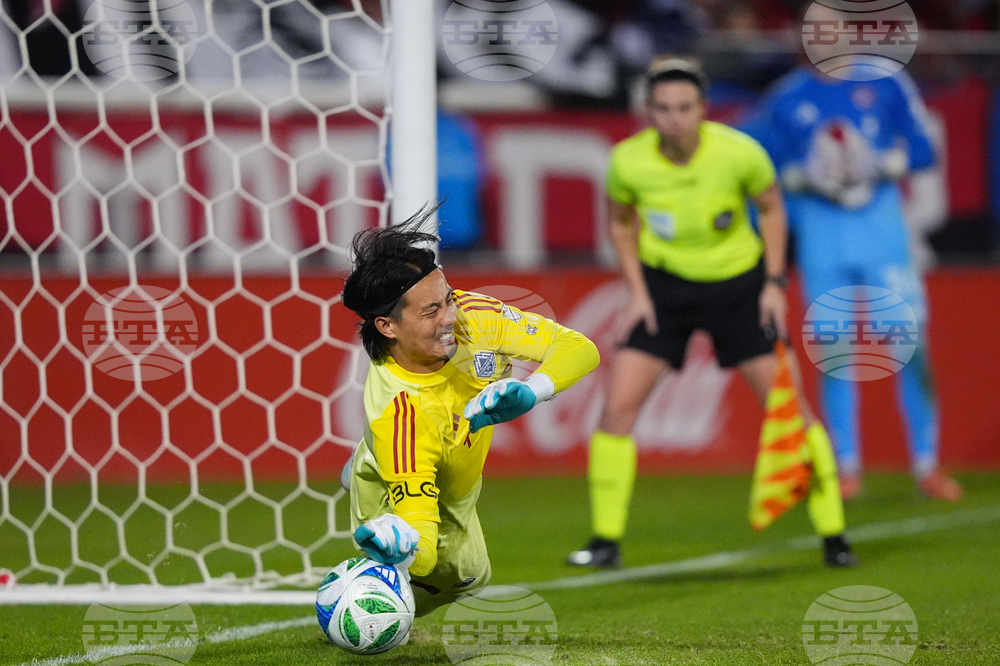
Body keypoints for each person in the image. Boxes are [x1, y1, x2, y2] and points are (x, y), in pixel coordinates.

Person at [567, 56, 856, 569]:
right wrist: (637, 292)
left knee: (790, 412)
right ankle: (604, 540)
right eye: (663, 108)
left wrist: (772, 283)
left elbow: (772, 210)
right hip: (665, 290)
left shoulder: (740, 153)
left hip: (739, 288)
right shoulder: (627, 162)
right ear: (648, 112)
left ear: (703, 109)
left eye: (684, 107)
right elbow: (619, 225)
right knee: (616, 408)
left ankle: (835, 535)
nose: (674, 118)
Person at [340, 207, 600, 616]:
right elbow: (423, 546)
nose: (450, 317)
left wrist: (531, 393)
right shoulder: (401, 418)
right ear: (387, 327)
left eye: (447, 299)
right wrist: (401, 551)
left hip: (457, 474)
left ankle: (367, 464)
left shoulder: (474, 316)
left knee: (472, 576)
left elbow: (580, 349)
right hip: (411, 457)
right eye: (431, 312)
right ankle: (361, 565)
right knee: (435, 577)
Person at [746, 42, 962, 502]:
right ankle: (846, 467)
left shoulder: (885, 82)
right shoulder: (785, 97)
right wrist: (796, 176)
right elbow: (754, 165)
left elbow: (924, 150)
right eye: (815, 30)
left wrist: (887, 164)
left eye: (833, 29)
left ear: (847, 34)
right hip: (823, 242)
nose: (825, 39)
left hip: (883, 240)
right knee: (836, 357)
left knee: (911, 347)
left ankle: (927, 463)